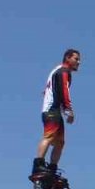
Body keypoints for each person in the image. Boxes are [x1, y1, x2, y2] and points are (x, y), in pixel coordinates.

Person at [30, 49, 81, 182]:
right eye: (76, 59)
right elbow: (64, 91)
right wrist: (69, 110)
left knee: (60, 142)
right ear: (67, 58)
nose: (78, 62)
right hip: (51, 110)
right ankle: (38, 164)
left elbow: (51, 89)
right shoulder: (63, 71)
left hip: (55, 110)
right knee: (49, 136)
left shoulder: (56, 70)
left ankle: (52, 168)